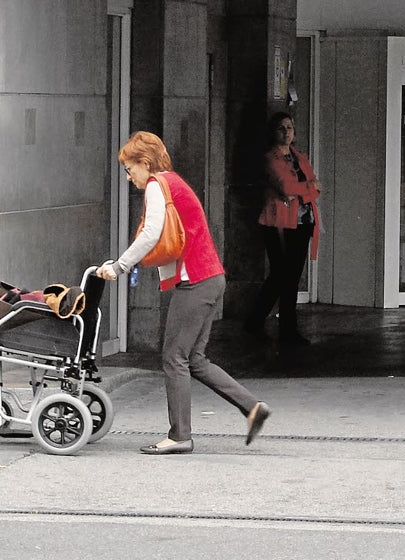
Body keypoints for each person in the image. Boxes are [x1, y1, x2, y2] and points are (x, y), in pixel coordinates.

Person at [96, 131, 270, 455]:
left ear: (144, 163)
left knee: (173, 357)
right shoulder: (172, 181)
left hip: (197, 281)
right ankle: (252, 407)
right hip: (210, 277)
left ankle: (179, 436)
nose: (128, 175)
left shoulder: (156, 185)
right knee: (194, 360)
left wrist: (119, 267)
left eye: (129, 168)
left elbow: (150, 234)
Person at [245, 112, 322, 348]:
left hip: (302, 222)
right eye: (282, 128)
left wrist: (305, 189)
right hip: (278, 222)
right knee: (281, 275)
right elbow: (286, 188)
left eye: (290, 127)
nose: (287, 132)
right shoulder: (271, 158)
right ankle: (263, 323)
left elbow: (316, 187)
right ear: (274, 132)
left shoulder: (300, 157)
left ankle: (279, 327)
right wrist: (308, 188)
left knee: (291, 277)